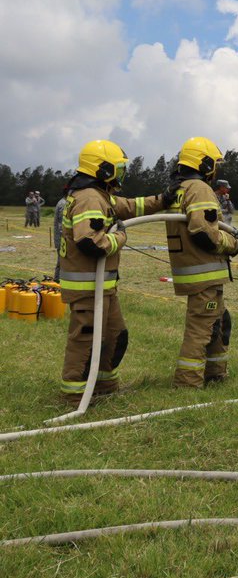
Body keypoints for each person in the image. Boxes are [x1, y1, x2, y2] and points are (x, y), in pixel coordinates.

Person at [57, 140, 165, 404]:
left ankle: (104, 385)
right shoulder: (89, 198)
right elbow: (90, 243)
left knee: (115, 336)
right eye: (118, 168)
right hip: (87, 289)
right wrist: (120, 238)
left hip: (102, 287)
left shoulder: (98, 194)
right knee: (85, 342)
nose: (121, 173)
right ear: (103, 169)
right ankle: (76, 397)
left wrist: (164, 200)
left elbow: (129, 207)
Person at [164, 137, 238, 388]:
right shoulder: (199, 188)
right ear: (203, 163)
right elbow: (204, 233)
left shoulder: (179, 188)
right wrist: (234, 244)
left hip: (196, 270)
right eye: (213, 163)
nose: (216, 169)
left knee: (219, 321)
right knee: (200, 329)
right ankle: (187, 382)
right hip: (203, 272)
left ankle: (216, 373)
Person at [52, 189, 69, 281]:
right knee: (61, 260)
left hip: (62, 237)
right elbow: (62, 224)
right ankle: (57, 279)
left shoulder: (63, 202)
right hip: (62, 238)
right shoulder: (63, 204)